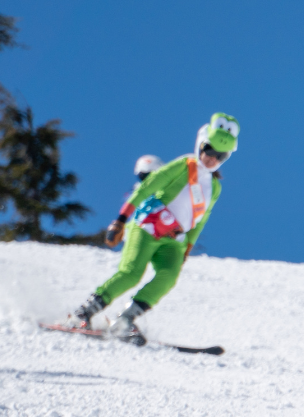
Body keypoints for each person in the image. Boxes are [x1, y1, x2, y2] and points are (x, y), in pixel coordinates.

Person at [68, 113, 240, 343]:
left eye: (221, 155)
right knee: (131, 273)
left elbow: (202, 219)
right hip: (147, 228)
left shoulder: (215, 186)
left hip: (173, 240)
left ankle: (125, 320)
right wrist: (120, 219)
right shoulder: (184, 165)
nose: (212, 158)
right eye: (209, 150)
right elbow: (147, 187)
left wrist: (187, 248)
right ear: (200, 144)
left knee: (168, 277)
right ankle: (82, 313)